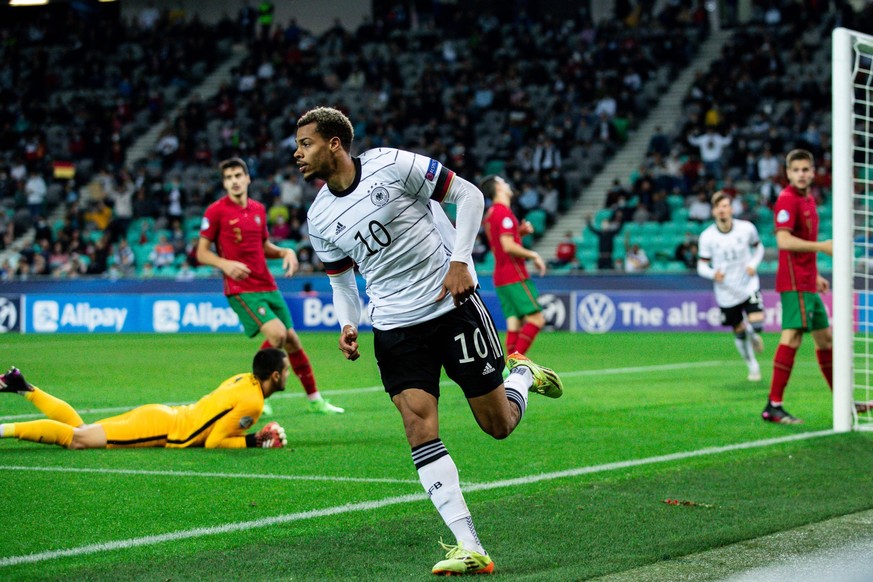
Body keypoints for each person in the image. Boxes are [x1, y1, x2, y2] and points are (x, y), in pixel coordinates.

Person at [295, 106, 563, 576]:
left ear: (334, 144)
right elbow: (341, 281)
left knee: (497, 425)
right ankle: (469, 545)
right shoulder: (319, 216)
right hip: (395, 326)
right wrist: (348, 323)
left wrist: (461, 260)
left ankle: (521, 374)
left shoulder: (391, 165)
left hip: (452, 308)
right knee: (418, 426)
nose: (297, 154)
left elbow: (471, 195)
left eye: (305, 144)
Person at [197, 157, 343, 414]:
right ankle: (253, 392)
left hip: (267, 284)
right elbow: (201, 253)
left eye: (238, 176)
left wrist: (286, 251)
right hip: (241, 288)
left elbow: (264, 247)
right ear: (224, 183)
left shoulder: (258, 209)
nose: (234, 181)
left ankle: (315, 400)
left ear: (247, 178)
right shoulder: (216, 211)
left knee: (293, 342)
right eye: (229, 177)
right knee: (277, 335)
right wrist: (224, 264)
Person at [0, 349, 290, 450]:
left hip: (161, 416)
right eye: (286, 370)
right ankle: (4, 429)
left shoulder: (242, 379)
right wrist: (252, 440)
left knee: (84, 430)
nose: (290, 375)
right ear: (274, 375)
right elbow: (214, 442)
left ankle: (24, 388)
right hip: (161, 429)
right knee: (78, 439)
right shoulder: (254, 403)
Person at [763, 149, 838, 423]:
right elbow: (783, 241)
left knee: (825, 339)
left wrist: (815, 274)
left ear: (813, 171)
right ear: (788, 172)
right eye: (796, 170)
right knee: (792, 337)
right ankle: (774, 404)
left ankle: (843, 400)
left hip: (807, 280)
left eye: (806, 169)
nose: (802, 174)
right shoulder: (787, 200)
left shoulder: (809, 200)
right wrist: (823, 247)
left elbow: (802, 246)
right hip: (794, 281)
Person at [697, 191, 766, 382]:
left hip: (748, 284)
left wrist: (753, 264)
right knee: (739, 331)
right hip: (726, 292)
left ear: (731, 209)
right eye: (719, 207)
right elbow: (701, 265)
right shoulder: (707, 237)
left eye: (726, 206)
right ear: (713, 211)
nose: (722, 210)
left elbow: (759, 247)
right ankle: (753, 366)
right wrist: (713, 274)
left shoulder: (746, 228)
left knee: (757, 324)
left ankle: (754, 334)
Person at [480, 175, 547, 355]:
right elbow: (508, 246)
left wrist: (519, 233)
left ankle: (509, 370)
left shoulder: (491, 214)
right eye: (504, 182)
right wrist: (534, 255)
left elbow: (501, 244)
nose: (508, 184)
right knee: (536, 320)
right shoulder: (503, 213)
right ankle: (517, 366)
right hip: (514, 274)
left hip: (500, 277)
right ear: (499, 189)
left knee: (514, 322)